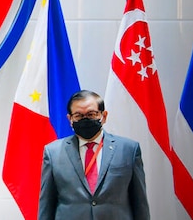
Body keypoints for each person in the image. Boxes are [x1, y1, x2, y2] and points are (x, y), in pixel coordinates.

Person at [39, 90, 149, 220]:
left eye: (91, 114)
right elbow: (47, 204)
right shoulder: (53, 152)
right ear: (70, 119)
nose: (85, 119)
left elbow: (139, 202)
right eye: (78, 116)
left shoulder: (129, 150)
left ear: (104, 116)